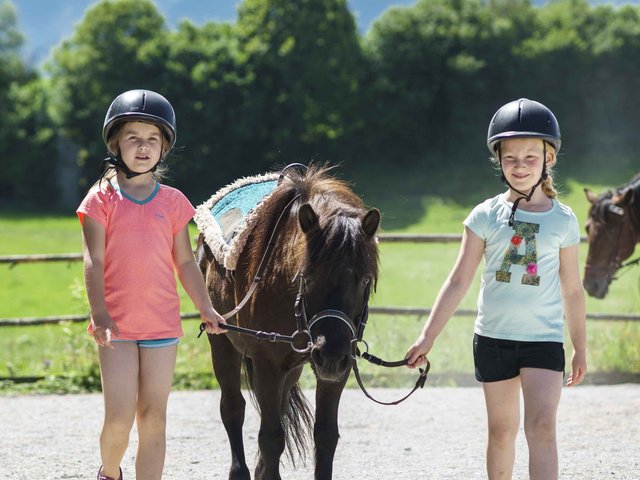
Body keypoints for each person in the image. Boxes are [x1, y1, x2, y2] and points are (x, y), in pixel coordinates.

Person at [405, 98, 587, 480]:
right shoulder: (484, 216)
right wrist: (427, 337)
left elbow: (572, 291)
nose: (520, 166)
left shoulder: (564, 221)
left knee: (541, 429)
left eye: (530, 158)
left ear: (548, 158)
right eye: (511, 158)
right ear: (499, 161)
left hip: (544, 339)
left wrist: (580, 348)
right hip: (493, 340)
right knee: (501, 433)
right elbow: (458, 280)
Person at [77, 89, 226, 480]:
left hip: (162, 325)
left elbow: (185, 261)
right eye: (133, 138)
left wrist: (206, 307)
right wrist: (100, 314)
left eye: (152, 139)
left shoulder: (174, 202)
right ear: (116, 144)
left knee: (154, 418)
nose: (143, 147)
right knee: (119, 419)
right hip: (118, 327)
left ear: (164, 147)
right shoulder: (101, 199)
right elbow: (93, 259)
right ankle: (110, 472)